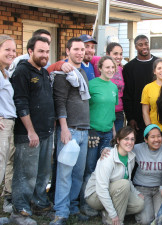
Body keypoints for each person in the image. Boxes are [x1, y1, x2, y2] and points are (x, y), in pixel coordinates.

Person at [3, 29, 52, 214]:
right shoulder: (22, 71)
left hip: (46, 131)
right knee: (25, 173)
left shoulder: (45, 73)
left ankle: (38, 202)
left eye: (47, 52)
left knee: (43, 172)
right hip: (29, 134)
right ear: (30, 51)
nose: (44, 55)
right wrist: (30, 131)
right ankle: (21, 206)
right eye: (41, 51)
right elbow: (20, 102)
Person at [101, 124, 162, 224]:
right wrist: (106, 149)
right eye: (152, 137)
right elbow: (122, 148)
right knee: (145, 220)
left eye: (159, 136)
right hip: (142, 188)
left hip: (160, 189)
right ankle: (111, 211)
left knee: (161, 217)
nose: (156, 139)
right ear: (146, 140)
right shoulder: (138, 148)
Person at [50, 37, 90, 225]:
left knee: (77, 174)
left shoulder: (81, 71)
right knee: (64, 174)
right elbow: (59, 103)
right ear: (67, 51)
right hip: (70, 131)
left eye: (82, 49)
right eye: (76, 49)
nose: (80, 52)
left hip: (84, 130)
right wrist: (64, 129)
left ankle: (73, 207)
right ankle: (61, 212)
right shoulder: (62, 73)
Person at [81, 56, 118, 215]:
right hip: (93, 133)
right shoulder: (92, 85)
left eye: (113, 68)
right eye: (107, 67)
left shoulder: (114, 87)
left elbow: (111, 111)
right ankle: (86, 202)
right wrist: (89, 130)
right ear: (100, 68)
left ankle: (102, 202)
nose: (110, 70)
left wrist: (114, 133)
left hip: (108, 133)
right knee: (90, 168)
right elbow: (84, 109)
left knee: (104, 169)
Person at [84, 126, 145, 225]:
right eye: (126, 139)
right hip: (95, 195)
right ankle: (114, 221)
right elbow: (101, 189)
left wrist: (136, 192)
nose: (129, 142)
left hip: (115, 191)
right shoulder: (108, 157)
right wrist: (113, 214)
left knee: (139, 204)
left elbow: (127, 179)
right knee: (124, 185)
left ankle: (106, 213)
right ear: (118, 140)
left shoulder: (131, 157)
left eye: (132, 139)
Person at [123, 35, 158, 143]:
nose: (144, 47)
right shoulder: (129, 67)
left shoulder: (158, 64)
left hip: (158, 113)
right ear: (135, 47)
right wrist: (131, 118)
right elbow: (127, 94)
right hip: (137, 116)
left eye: (146, 43)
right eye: (140, 44)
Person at [0, 35, 17, 219]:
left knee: (4, 165)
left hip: (9, 123)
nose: (11, 53)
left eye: (13, 50)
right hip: (2, 124)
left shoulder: (4, 72)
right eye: (7, 49)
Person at [91, 42, 125, 132]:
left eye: (121, 54)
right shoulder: (99, 61)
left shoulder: (122, 69)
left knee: (116, 141)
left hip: (118, 112)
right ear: (107, 54)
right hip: (103, 112)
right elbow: (85, 56)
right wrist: (62, 64)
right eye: (115, 54)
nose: (118, 56)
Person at [141, 59, 162, 133]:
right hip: (155, 128)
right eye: (159, 68)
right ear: (154, 71)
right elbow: (145, 111)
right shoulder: (148, 88)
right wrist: (150, 128)